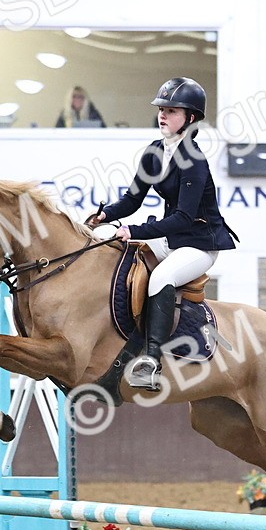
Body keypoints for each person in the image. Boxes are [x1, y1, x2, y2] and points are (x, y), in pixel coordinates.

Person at [86, 76, 236, 391]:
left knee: (160, 279)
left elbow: (183, 218)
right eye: (161, 109)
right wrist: (105, 216)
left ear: (191, 118)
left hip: (198, 244)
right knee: (107, 247)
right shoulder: (155, 151)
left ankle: (151, 361)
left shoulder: (194, 161)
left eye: (172, 110)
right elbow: (132, 200)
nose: (163, 115)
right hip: (170, 237)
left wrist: (134, 230)